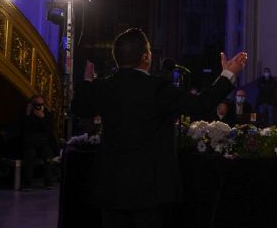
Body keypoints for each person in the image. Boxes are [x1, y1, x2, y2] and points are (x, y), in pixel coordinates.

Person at [72, 28, 247, 228]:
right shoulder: (156, 88)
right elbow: (199, 105)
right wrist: (228, 74)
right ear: (145, 57)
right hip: (150, 189)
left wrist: (87, 80)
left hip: (112, 187)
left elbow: (80, 107)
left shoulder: (103, 87)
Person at [22, 95, 56, 190]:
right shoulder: (27, 114)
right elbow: (26, 129)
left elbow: (48, 129)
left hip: (43, 143)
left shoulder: (47, 114)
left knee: (48, 154)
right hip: (30, 143)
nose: (39, 107)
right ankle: (27, 183)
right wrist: (28, 114)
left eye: (41, 104)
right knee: (30, 154)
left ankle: (48, 182)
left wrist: (42, 118)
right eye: (37, 104)